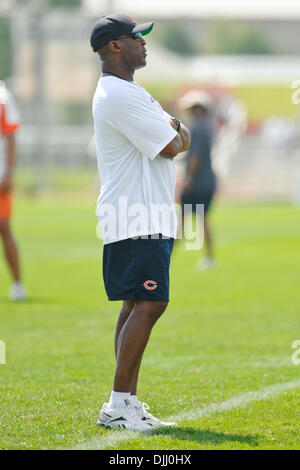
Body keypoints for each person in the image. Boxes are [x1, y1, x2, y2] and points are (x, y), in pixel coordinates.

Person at [90, 14, 190, 431]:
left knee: (136, 303)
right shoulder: (120, 94)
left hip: (140, 214)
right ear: (115, 46)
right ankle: (117, 405)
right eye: (136, 38)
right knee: (150, 303)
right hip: (136, 215)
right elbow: (173, 144)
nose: (143, 43)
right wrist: (176, 128)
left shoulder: (131, 91)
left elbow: (178, 136)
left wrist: (176, 129)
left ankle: (126, 401)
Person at [178, 90, 217, 270]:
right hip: (207, 180)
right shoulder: (208, 125)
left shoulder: (197, 127)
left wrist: (189, 179)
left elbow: (196, 156)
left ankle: (167, 258)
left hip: (198, 182)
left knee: (183, 220)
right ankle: (209, 258)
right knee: (202, 219)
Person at [0, 81, 26, 301]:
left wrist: (8, 172)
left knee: (4, 227)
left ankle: (18, 284)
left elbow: (10, 138)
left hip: (0, 178)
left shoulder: (2, 96)